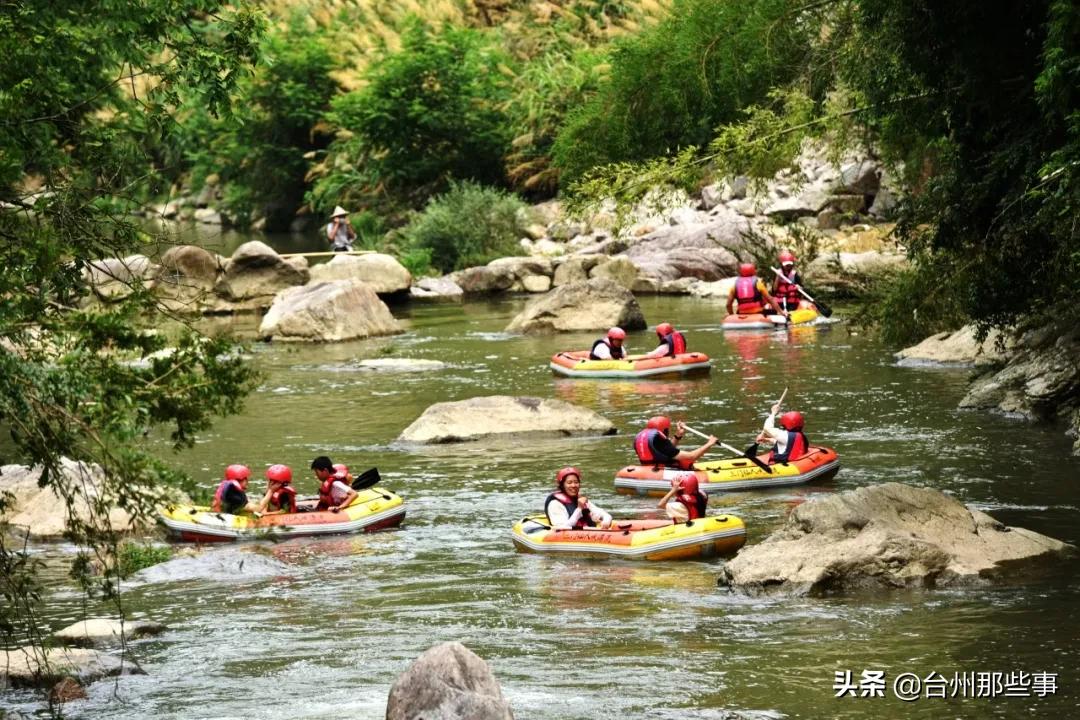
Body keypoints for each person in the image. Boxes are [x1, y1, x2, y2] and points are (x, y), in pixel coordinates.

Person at [634, 415, 717, 470]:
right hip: (662, 470)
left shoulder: (642, 437)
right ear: (664, 430)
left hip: (649, 468)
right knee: (686, 461)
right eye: (667, 429)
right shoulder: (658, 439)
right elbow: (692, 456)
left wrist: (678, 435)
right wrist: (710, 443)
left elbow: (664, 450)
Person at [544, 467, 613, 530]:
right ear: (562, 485)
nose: (573, 485)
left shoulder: (581, 500)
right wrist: (579, 509)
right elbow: (563, 528)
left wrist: (606, 521)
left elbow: (604, 514)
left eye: (576, 482)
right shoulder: (555, 503)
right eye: (569, 483)